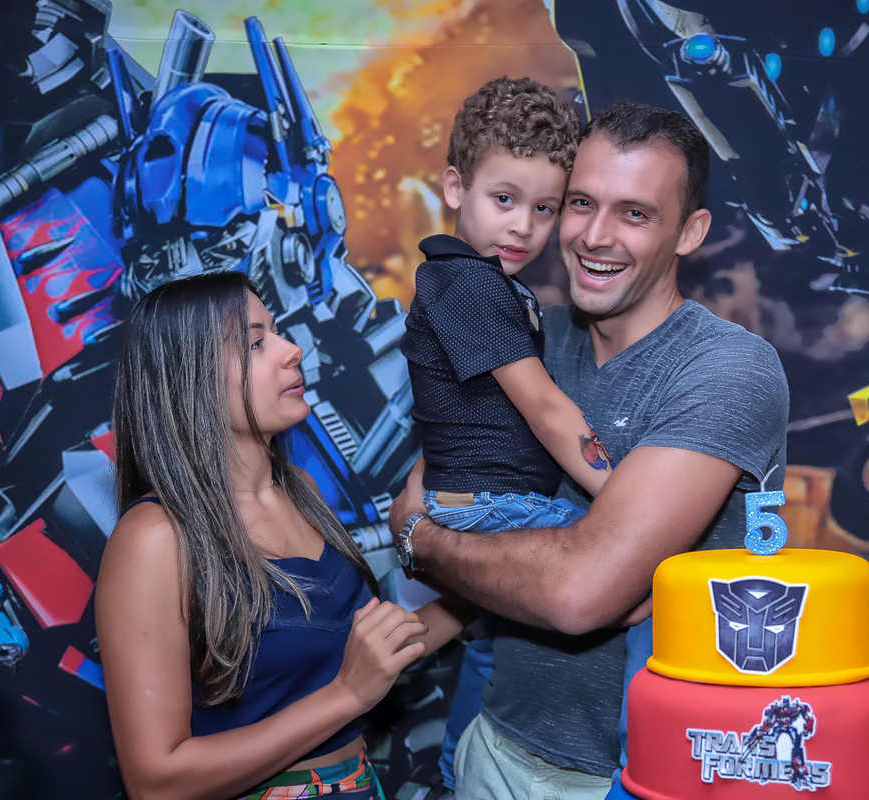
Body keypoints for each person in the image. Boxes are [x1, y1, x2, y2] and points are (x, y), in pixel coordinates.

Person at [388, 101, 790, 800]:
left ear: (690, 232)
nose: (596, 236)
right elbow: (423, 494)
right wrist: (425, 533)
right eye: (580, 203)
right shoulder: (526, 336)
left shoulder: (727, 368)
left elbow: (579, 596)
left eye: (635, 213)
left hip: (634, 779)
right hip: (496, 747)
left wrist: (424, 542)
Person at [96, 271, 461, 800]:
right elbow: (156, 783)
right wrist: (346, 696)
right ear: (190, 378)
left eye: (277, 332)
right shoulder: (155, 538)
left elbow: (373, 653)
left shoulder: (302, 491)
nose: (292, 350)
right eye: (256, 343)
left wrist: (501, 588)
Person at [398, 76, 617, 795]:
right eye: (504, 199)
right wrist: (621, 499)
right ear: (455, 187)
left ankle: (455, 769)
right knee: (629, 576)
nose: (523, 226)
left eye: (544, 208)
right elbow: (545, 410)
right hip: (496, 508)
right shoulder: (466, 283)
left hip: (486, 502)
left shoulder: (491, 284)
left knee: (490, 649)